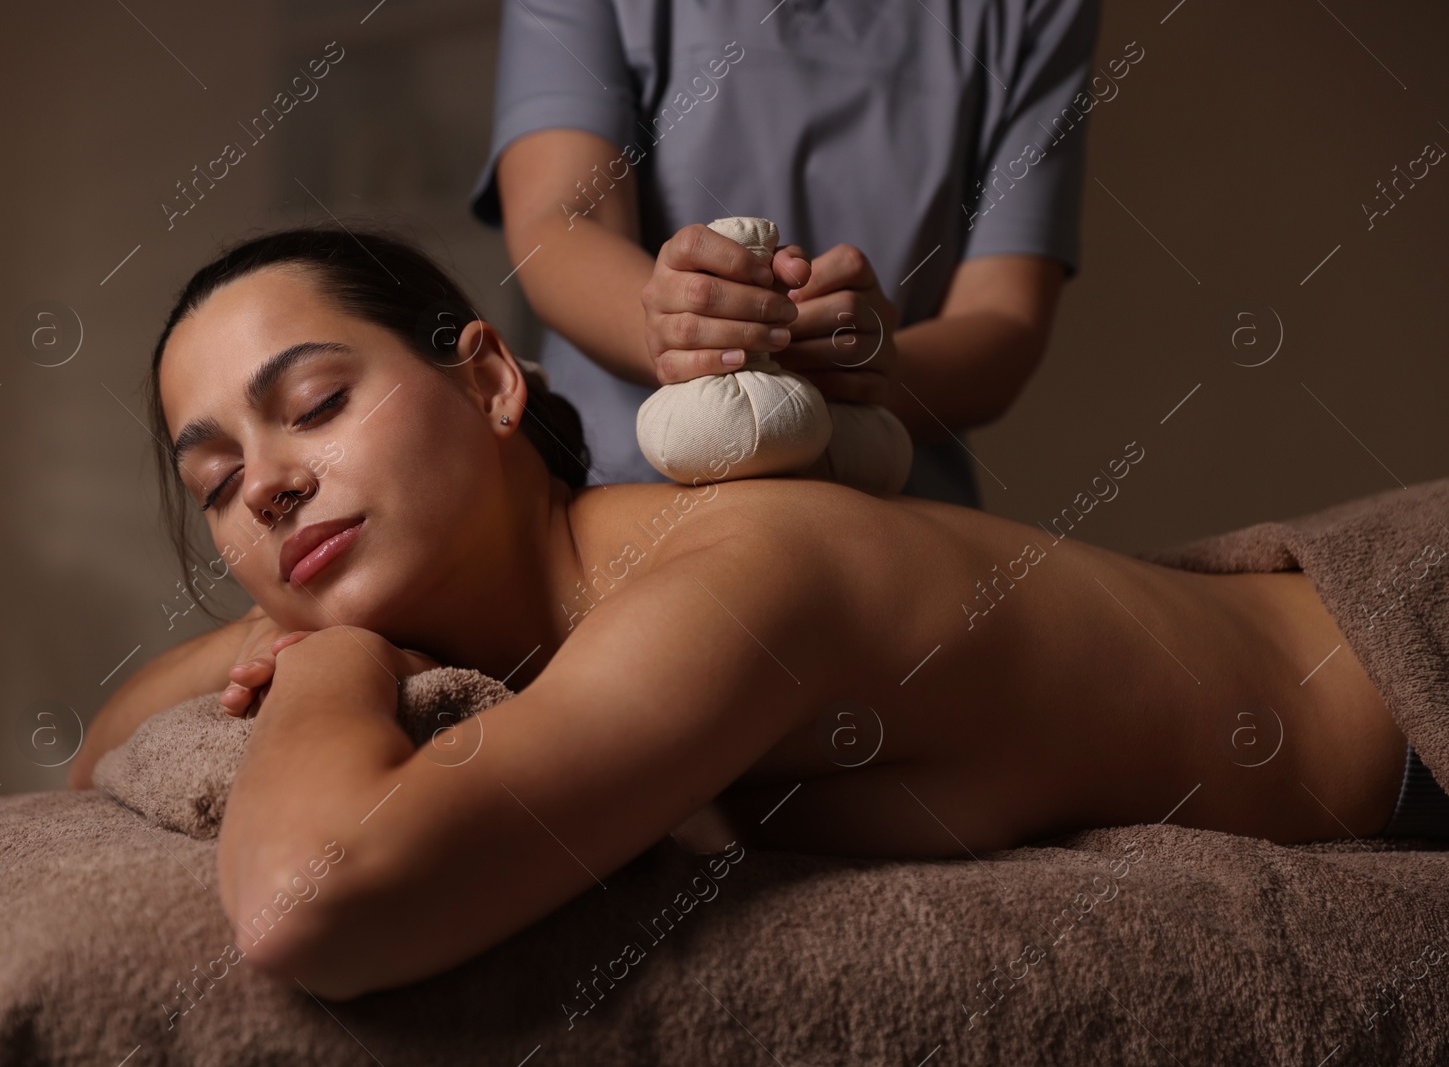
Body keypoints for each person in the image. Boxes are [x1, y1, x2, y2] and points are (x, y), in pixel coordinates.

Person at [71, 226, 1410, 999]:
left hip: (1408, 677)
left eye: (313, 407)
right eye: (217, 483)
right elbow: (92, 755)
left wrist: (330, 663)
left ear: (488, 381)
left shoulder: (731, 568)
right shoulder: (550, 630)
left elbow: (311, 902)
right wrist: (284, 630)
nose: (274, 484)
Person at [471, 0, 1102, 506]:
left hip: (892, 523)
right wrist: (677, 326)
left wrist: (874, 371)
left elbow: (1006, 317)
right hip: (624, 499)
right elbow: (559, 217)